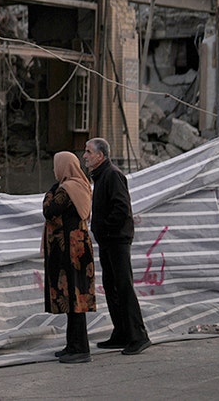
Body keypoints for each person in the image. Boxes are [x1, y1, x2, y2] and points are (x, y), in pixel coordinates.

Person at [83, 137, 152, 355]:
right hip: (108, 240)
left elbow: (122, 209)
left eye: (88, 152)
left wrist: (104, 229)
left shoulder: (112, 175)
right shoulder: (101, 176)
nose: (84, 156)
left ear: (100, 156)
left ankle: (138, 336)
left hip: (117, 240)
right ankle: (121, 333)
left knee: (123, 287)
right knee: (112, 287)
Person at [42, 151, 97, 364]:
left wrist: (51, 191)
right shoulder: (80, 185)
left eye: (57, 166)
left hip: (69, 252)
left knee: (74, 300)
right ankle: (72, 345)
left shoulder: (66, 189)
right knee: (74, 299)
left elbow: (49, 210)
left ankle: (80, 349)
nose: (54, 170)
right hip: (78, 249)